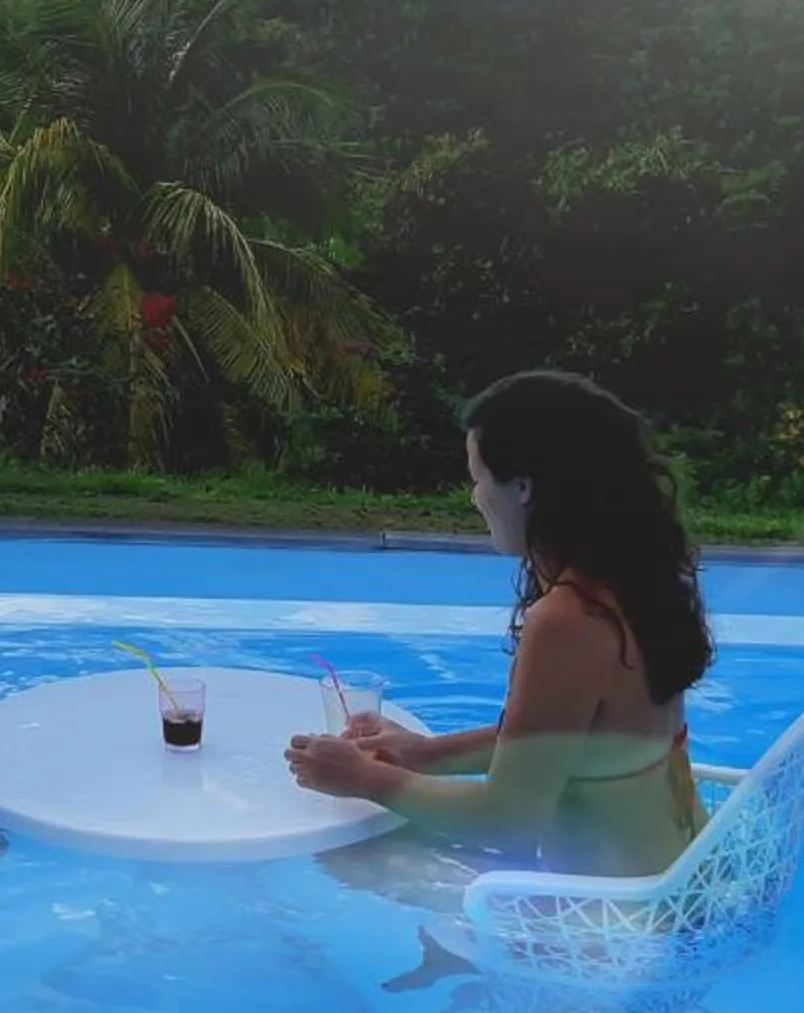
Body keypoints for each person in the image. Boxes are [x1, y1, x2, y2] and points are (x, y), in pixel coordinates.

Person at [287, 371, 715, 885]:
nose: (475, 498)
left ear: (524, 488)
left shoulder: (569, 619)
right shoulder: (638, 578)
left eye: (479, 478)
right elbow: (567, 739)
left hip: (611, 916)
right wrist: (423, 754)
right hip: (682, 878)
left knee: (346, 857)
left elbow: (509, 822)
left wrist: (363, 777)